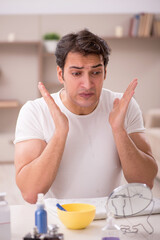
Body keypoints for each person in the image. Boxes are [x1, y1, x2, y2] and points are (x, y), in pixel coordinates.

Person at [14, 29, 158, 204]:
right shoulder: (34, 111)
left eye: (95, 72)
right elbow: (30, 193)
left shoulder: (122, 107)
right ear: (61, 74)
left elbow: (145, 183)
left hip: (108, 220)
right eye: (76, 73)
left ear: (105, 72)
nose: (87, 84)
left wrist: (119, 131)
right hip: (57, 222)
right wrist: (60, 133)